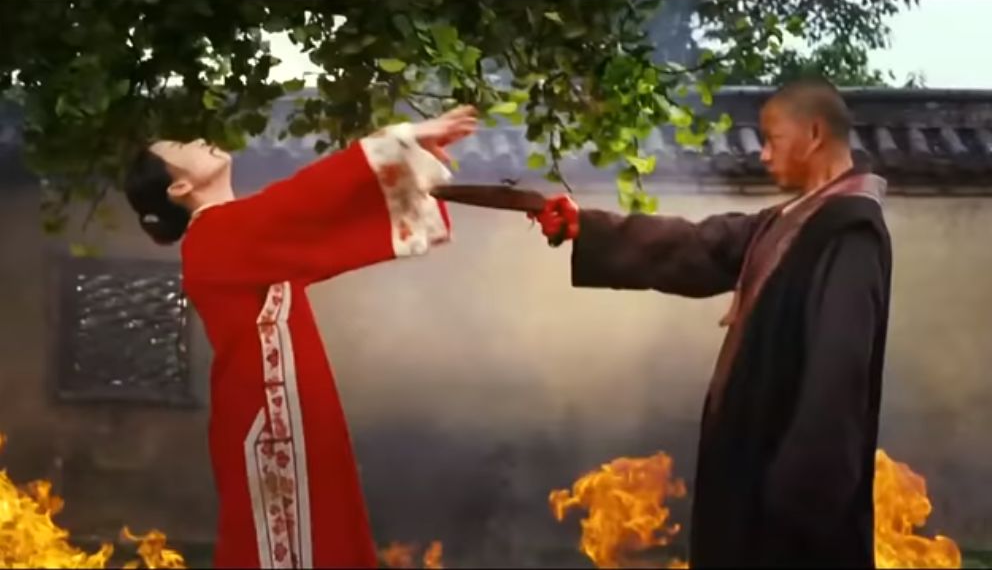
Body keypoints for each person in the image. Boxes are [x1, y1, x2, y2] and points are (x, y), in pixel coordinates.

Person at [531, 78, 891, 567]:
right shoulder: (791, 220)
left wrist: (797, 501)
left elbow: (838, 377)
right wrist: (587, 227)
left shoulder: (850, 230)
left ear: (813, 134)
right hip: (755, 476)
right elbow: (702, 244)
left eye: (772, 139)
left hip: (788, 507)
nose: (763, 154)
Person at [123, 106, 479, 569]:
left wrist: (408, 161)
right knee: (289, 544)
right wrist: (400, 144)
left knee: (319, 530)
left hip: (288, 410)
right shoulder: (212, 237)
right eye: (181, 147)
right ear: (179, 188)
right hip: (270, 419)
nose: (196, 141)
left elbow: (310, 219)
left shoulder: (243, 232)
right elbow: (305, 201)